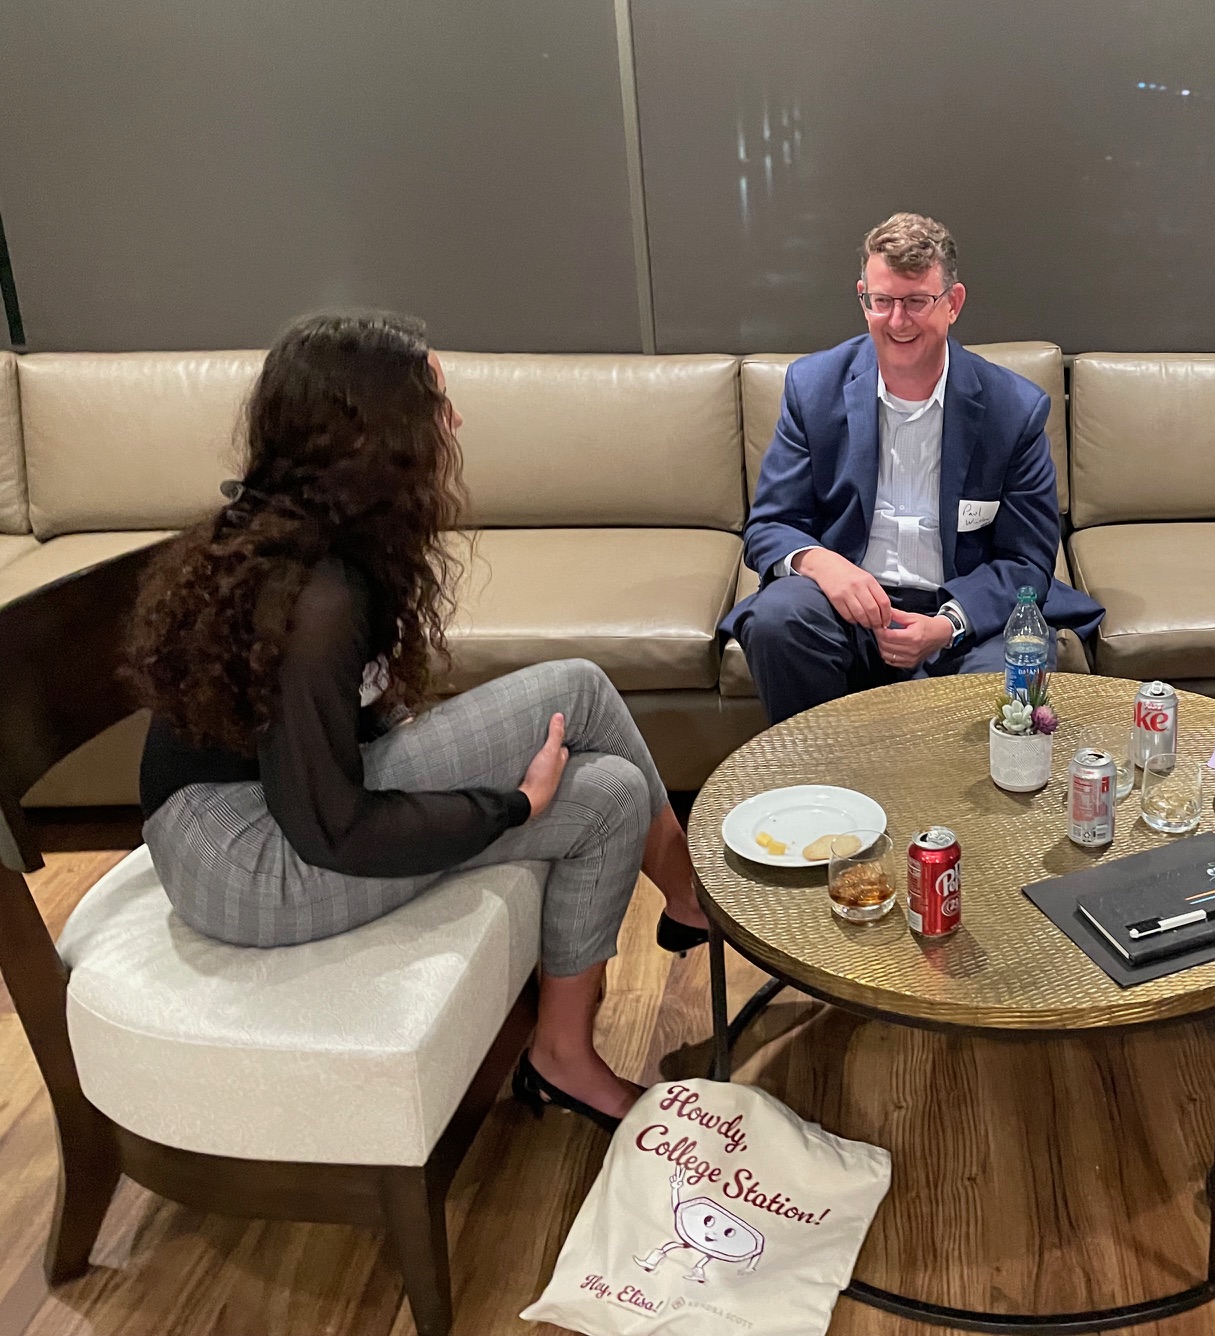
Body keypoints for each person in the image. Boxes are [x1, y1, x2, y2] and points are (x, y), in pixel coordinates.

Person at [127, 311, 709, 1133]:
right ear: (375, 431)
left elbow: (355, 725)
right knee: (576, 688)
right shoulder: (312, 596)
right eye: (436, 400)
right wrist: (512, 807)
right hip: (244, 861)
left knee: (609, 792)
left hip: (288, 806)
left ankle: (562, 1056)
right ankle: (689, 894)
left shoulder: (325, 533)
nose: (455, 419)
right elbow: (330, 828)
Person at [726, 212, 1103, 722]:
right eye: (882, 302)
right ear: (863, 298)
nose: (898, 321)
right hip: (847, 610)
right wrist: (821, 564)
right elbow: (769, 526)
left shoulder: (1012, 410)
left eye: (917, 302)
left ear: (953, 304)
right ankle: (819, 785)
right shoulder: (813, 389)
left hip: (962, 616)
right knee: (777, 616)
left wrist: (948, 623)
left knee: (1009, 675)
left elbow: (1028, 560)